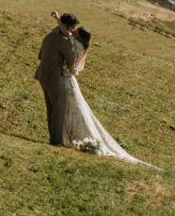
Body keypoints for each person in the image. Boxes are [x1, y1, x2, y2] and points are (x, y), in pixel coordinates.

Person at [50, 11, 159, 168]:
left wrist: (57, 18)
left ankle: (75, 139)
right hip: (68, 81)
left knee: (70, 110)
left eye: (76, 31)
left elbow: (66, 33)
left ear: (79, 37)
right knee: (74, 111)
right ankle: (74, 138)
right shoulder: (80, 45)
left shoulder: (75, 44)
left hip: (67, 81)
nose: (73, 31)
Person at [34, 10, 79, 145]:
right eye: (73, 27)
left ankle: (53, 138)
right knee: (59, 110)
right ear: (67, 26)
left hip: (42, 75)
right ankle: (57, 140)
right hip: (55, 78)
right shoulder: (64, 41)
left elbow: (40, 55)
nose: (74, 30)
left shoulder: (48, 36)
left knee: (50, 109)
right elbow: (72, 63)